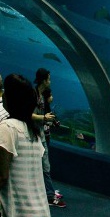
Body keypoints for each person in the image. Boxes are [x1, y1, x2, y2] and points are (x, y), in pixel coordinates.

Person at [0, 73, 50, 217]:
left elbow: (2, 176)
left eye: (5, 91)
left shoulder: (8, 128)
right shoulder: (33, 132)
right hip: (41, 211)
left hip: (21, 212)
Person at [32, 69, 64, 208]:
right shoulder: (34, 95)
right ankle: (49, 195)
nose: (50, 81)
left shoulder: (42, 96)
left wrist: (51, 121)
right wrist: (44, 118)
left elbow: (43, 114)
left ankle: (47, 192)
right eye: (49, 79)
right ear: (44, 80)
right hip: (34, 135)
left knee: (45, 165)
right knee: (42, 165)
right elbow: (29, 114)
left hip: (41, 134)